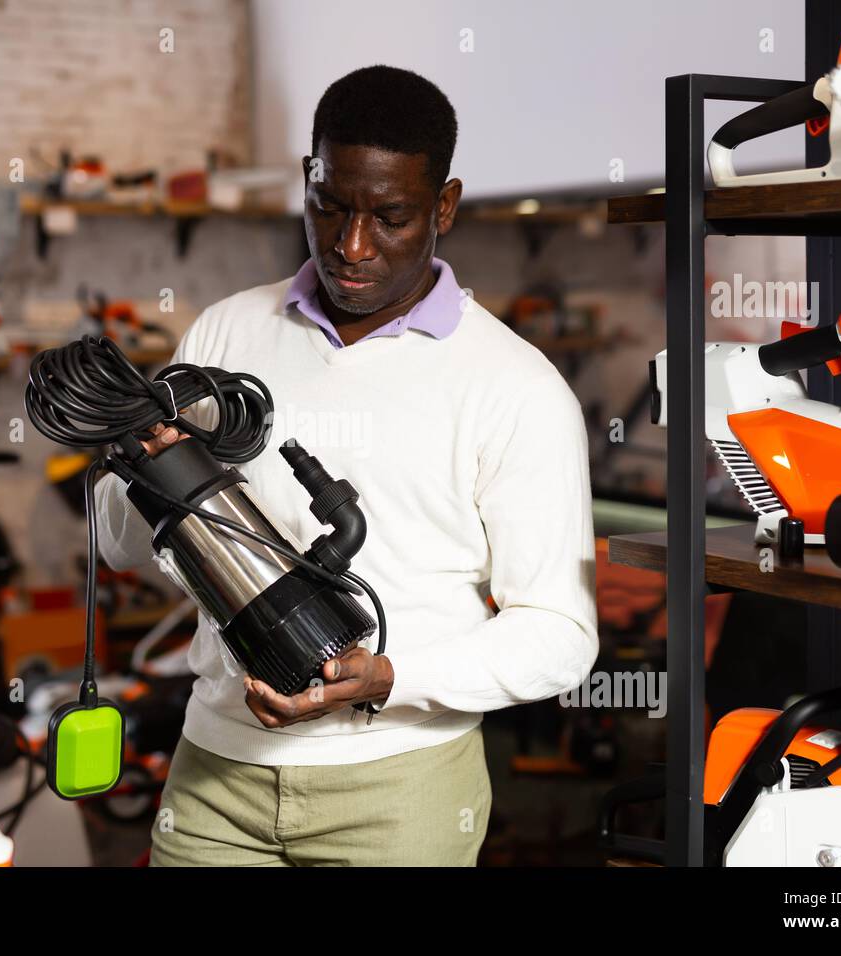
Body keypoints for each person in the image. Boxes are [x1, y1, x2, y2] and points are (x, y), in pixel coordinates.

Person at [96, 65, 597, 866]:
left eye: (390, 217)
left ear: (445, 206)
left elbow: (560, 637)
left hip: (399, 792)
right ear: (308, 178)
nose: (350, 245)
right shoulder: (225, 336)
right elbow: (119, 543)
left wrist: (387, 677)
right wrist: (141, 466)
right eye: (329, 206)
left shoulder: (516, 387)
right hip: (214, 774)